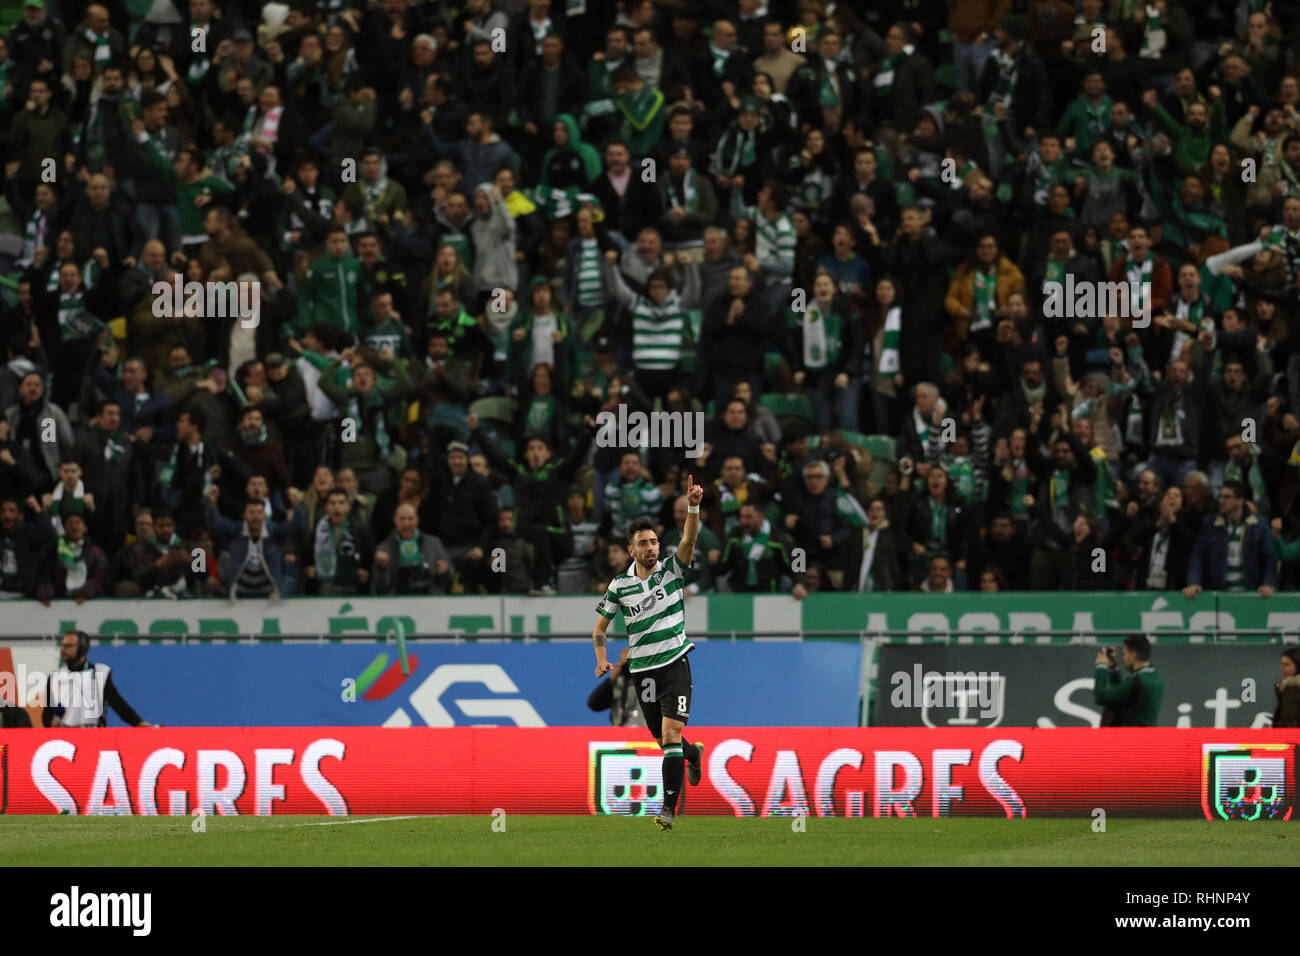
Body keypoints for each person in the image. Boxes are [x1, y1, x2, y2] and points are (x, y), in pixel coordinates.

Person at [592, 479, 707, 831]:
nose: (651, 548)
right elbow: (599, 629)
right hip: (643, 672)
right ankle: (693, 753)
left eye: (654, 541)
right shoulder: (619, 586)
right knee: (663, 741)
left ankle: (668, 809)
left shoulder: (673, 570)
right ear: (631, 550)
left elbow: (689, 540)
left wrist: (692, 507)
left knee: (671, 734)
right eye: (643, 543)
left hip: (675, 661)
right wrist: (602, 657)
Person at [42, 629, 153, 728]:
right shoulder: (55, 677)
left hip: (94, 737)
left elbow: (118, 704)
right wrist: (51, 724)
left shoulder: (100, 673)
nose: (63, 650)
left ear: (82, 649)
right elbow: (47, 715)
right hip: (66, 740)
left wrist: (138, 722)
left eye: (69, 646)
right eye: (63, 645)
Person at [1092, 634, 1163, 726]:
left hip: (1132, 738)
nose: (1123, 658)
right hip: (1146, 738)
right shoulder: (1154, 676)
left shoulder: (1138, 680)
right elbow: (1120, 697)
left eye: (1125, 654)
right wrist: (1113, 668)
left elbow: (1100, 697)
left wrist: (1101, 666)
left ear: (1133, 656)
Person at [586, 645, 645, 727]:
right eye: (627, 665)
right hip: (621, 731)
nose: (630, 669)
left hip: (647, 731)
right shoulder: (617, 685)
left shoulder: (651, 683)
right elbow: (594, 704)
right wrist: (611, 681)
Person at [1271, 647, 1300, 728]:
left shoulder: (1291, 689)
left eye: (1286, 665)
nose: (1282, 668)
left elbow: (1289, 722)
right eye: (1282, 664)